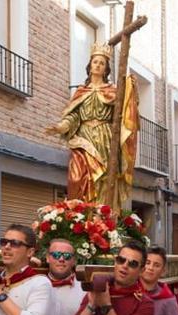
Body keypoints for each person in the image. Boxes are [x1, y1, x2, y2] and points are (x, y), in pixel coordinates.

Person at [48, 44, 138, 207]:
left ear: (106, 69)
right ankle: (81, 216)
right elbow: (74, 116)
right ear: (90, 66)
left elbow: (126, 110)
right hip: (83, 138)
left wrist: (130, 89)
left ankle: (102, 217)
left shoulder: (113, 90)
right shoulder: (82, 91)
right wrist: (62, 126)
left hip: (105, 138)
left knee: (104, 179)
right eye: (95, 62)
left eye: (102, 63)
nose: (97, 65)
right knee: (77, 177)